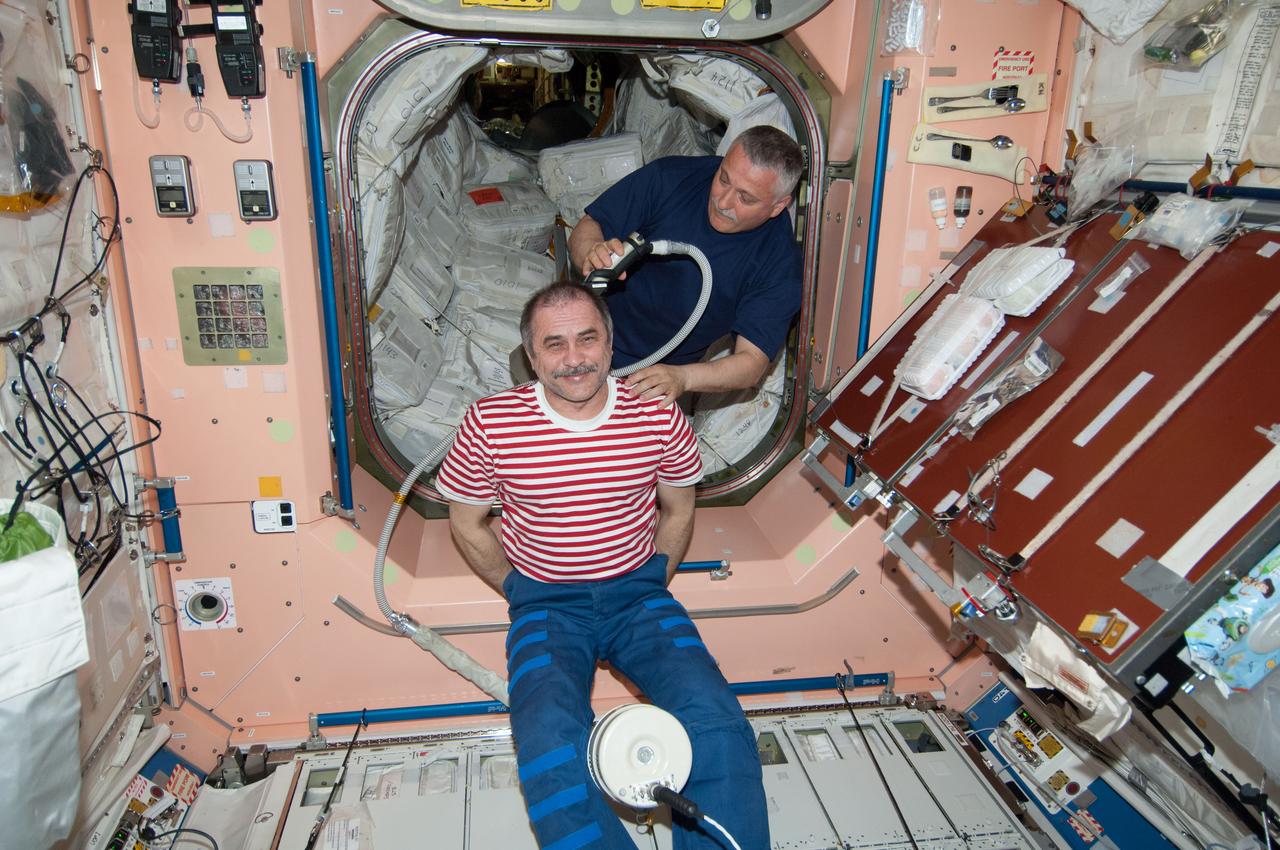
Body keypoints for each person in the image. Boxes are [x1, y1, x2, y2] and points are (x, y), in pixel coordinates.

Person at [438, 282, 769, 850]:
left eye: (587, 339)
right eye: (555, 344)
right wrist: (519, 589)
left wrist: (651, 583)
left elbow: (678, 507)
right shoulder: (490, 424)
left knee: (714, 719)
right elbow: (467, 522)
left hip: (638, 597)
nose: (574, 359)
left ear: (610, 345)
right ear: (532, 356)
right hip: (546, 605)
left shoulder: (657, 415)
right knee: (547, 743)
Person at [568, 124, 804, 408]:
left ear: (778, 206)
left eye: (745, 197)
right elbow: (589, 226)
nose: (723, 201)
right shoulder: (671, 177)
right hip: (581, 332)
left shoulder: (779, 264)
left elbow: (751, 363)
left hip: (654, 375)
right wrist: (591, 252)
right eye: (724, 178)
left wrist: (682, 379)